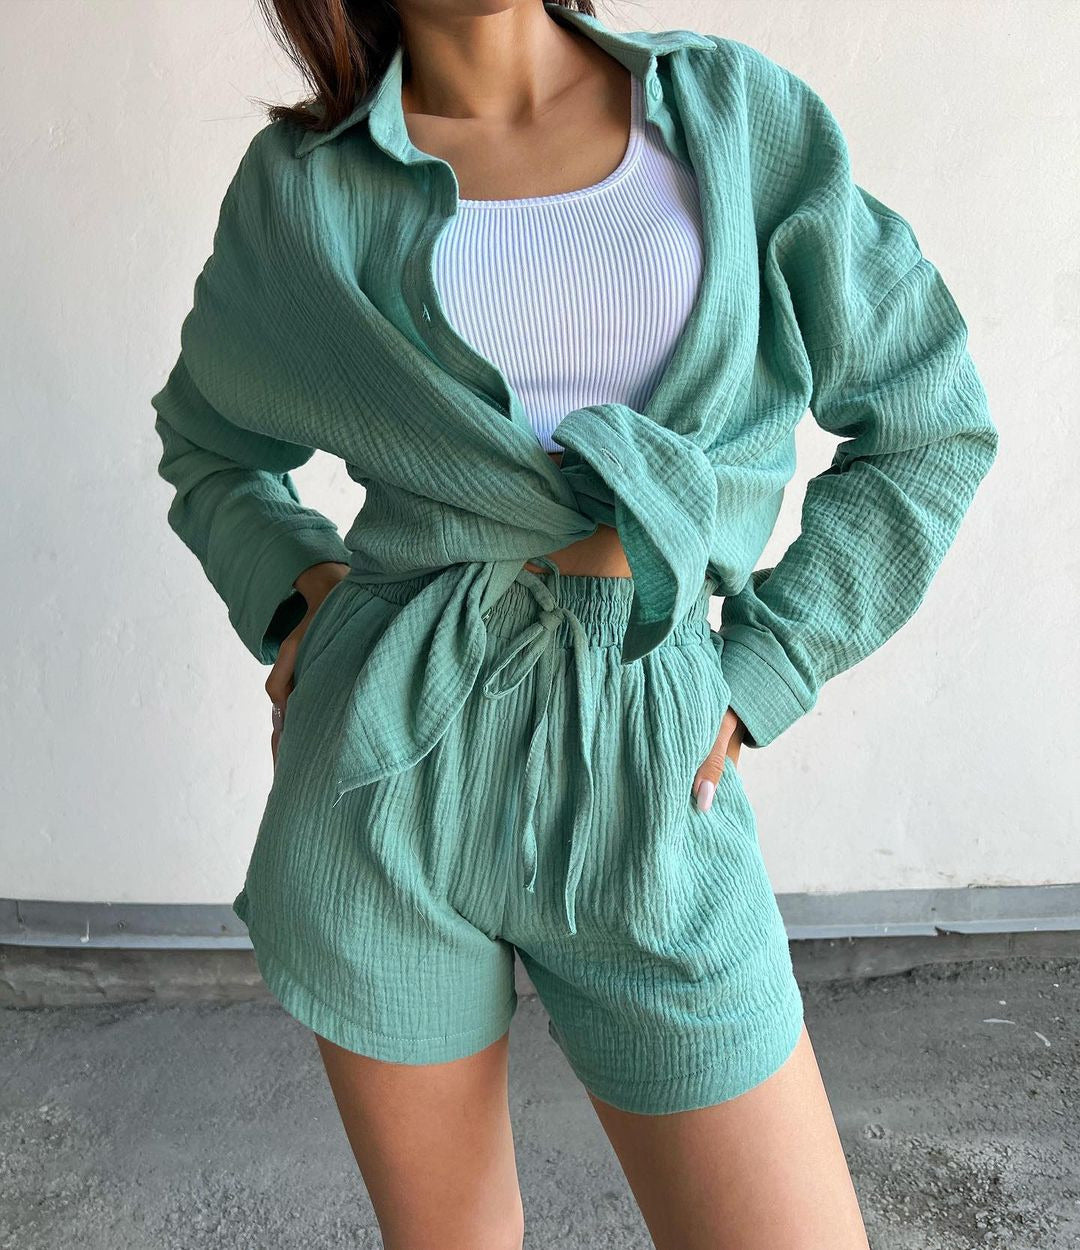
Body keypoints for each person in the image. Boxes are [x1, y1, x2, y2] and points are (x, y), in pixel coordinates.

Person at [151, 2, 997, 1247]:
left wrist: (771, 659)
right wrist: (296, 595)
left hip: (655, 761)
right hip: (388, 777)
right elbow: (209, 443)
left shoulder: (732, 122)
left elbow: (930, 419)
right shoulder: (304, 188)